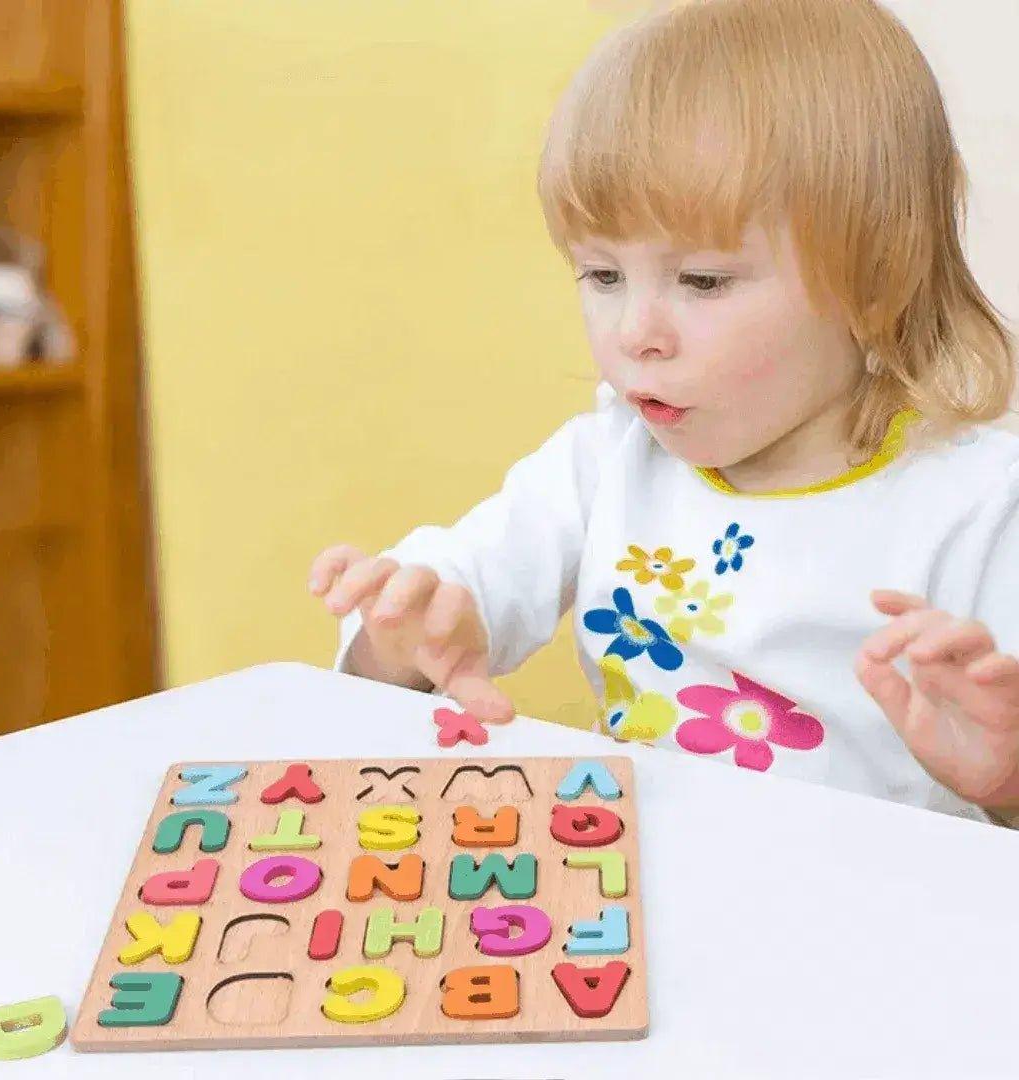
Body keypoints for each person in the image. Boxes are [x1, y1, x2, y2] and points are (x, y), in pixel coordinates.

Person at [309, 0, 1019, 826]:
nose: (635, 333)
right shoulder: (607, 460)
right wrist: (399, 644)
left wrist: (1003, 782)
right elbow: (442, 603)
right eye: (602, 276)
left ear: (874, 281)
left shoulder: (979, 508)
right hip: (643, 908)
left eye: (703, 282)